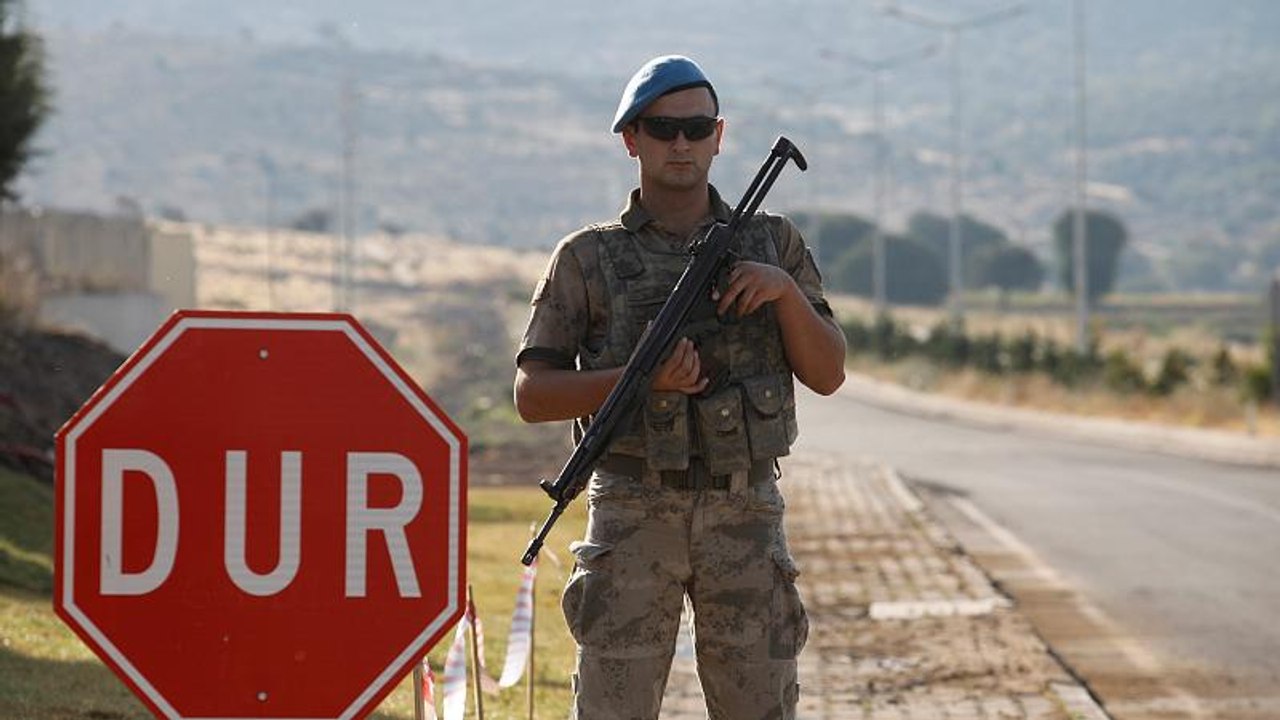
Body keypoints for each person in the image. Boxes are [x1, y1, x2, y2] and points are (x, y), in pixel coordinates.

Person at [513, 54, 846, 720]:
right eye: (662, 128)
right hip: (633, 508)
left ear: (719, 136)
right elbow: (533, 394)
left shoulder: (772, 243)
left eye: (697, 128)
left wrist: (782, 293)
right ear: (631, 140)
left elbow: (829, 372)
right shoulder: (587, 257)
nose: (681, 144)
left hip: (745, 511)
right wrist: (637, 381)